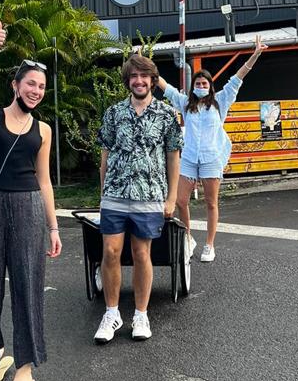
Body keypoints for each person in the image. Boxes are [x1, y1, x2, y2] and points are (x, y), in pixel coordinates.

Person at [0, 21, 61, 381]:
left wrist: (53, 227)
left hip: (28, 208)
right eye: (30, 84)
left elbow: (44, 181)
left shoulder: (43, 130)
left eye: (41, 87)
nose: (36, 91)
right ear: (16, 85)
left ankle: (25, 366)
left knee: (26, 286)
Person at [94, 53, 182, 344]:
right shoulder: (113, 113)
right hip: (115, 195)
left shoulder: (167, 115)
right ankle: (111, 313)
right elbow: (104, 156)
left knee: (141, 253)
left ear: (153, 80)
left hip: (149, 196)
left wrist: (171, 199)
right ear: (127, 81)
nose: (139, 80)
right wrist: (103, 191)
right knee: (110, 252)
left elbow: (173, 158)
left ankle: (141, 314)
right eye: (134, 76)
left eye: (144, 76)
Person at [157, 34, 267, 262]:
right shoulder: (186, 103)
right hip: (187, 158)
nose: (200, 87)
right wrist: (145, 67)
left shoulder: (221, 101)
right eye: (197, 84)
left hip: (211, 158)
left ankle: (209, 244)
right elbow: (165, 88)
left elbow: (239, 76)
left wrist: (254, 55)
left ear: (210, 86)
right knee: (180, 201)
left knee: (211, 203)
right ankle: (187, 238)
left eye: (204, 84)